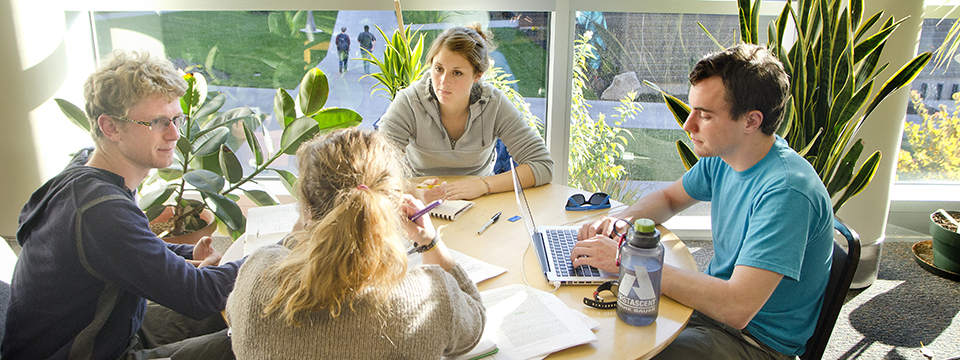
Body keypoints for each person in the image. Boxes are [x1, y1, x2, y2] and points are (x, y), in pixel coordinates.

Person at [571, 44, 834, 360]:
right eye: (692, 109)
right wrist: (622, 222)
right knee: (591, 331)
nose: (688, 125)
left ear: (751, 121)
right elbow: (669, 198)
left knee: (615, 351)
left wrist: (625, 260)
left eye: (705, 115)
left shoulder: (787, 192)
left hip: (753, 342)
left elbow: (736, 307)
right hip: (709, 312)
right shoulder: (727, 155)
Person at [2, 50, 242, 359]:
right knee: (247, 341)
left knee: (229, 313)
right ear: (111, 127)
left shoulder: (88, 172)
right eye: (158, 122)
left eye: (176, 119)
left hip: (114, 331)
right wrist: (271, 254)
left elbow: (127, 247)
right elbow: (197, 294)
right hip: (93, 353)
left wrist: (185, 254)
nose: (174, 134)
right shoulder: (100, 210)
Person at [226, 129, 485, 359]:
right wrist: (431, 243)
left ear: (307, 210)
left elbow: (235, 320)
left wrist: (298, 239)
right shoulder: (429, 294)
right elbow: (474, 324)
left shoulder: (256, 276)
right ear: (392, 209)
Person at [379, 23, 553, 202]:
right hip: (421, 202)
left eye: (457, 73)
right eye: (439, 69)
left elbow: (542, 165)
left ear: (477, 76)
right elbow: (376, 171)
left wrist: (484, 185)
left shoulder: (494, 103)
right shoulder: (409, 101)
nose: (443, 82)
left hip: (480, 201)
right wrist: (415, 192)